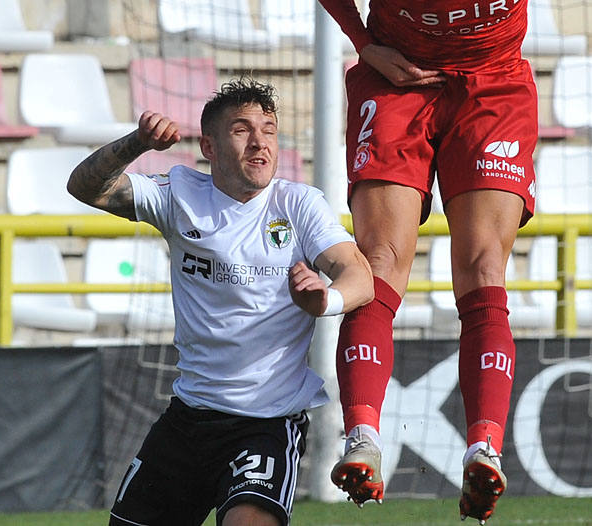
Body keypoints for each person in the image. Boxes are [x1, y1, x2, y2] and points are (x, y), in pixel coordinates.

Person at [294, 0, 592, 522]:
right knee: (380, 261)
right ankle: (363, 436)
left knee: (481, 263)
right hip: (399, 86)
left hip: (494, 90)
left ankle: (484, 451)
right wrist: (364, 43)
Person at [66, 77, 374, 526]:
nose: (259, 142)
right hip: (188, 419)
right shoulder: (179, 195)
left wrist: (324, 300)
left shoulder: (299, 205)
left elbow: (359, 275)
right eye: (241, 129)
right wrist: (138, 143)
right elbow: (84, 187)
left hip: (265, 423)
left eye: (268, 129)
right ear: (209, 146)